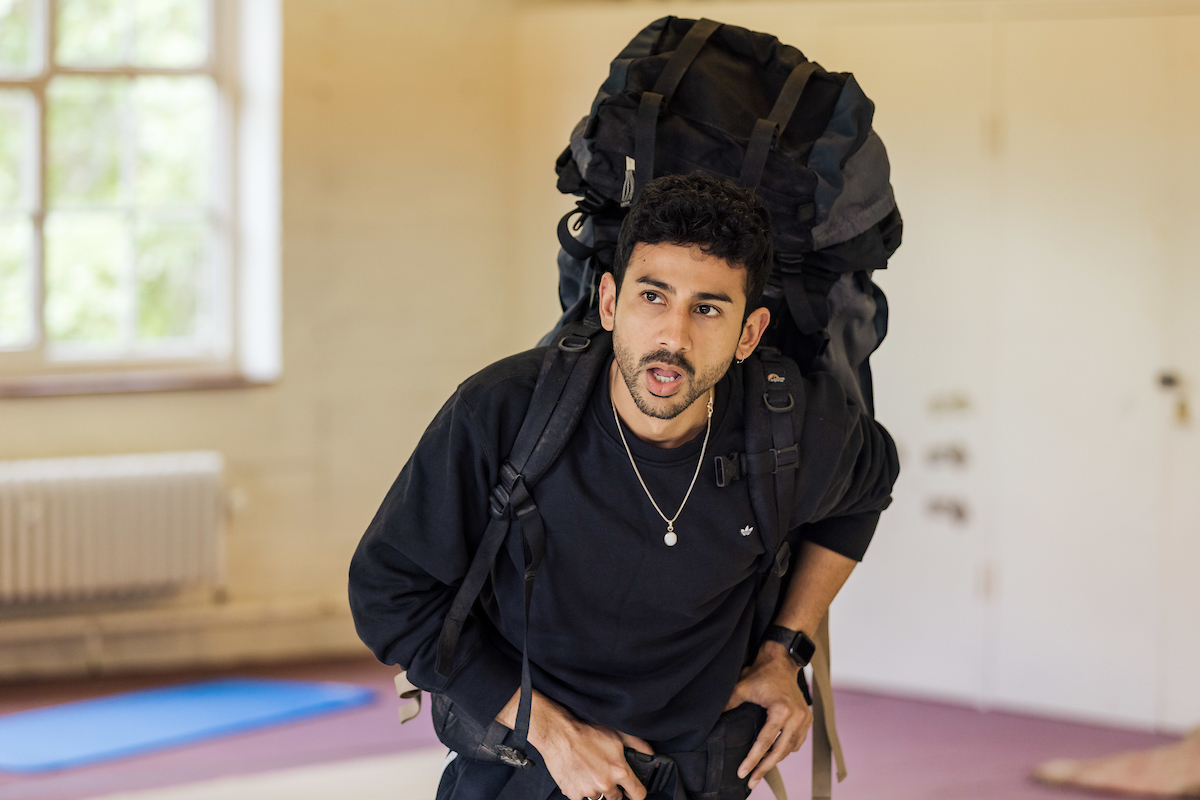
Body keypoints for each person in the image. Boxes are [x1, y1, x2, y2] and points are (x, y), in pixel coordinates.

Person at [349, 172, 900, 800]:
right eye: (652, 297)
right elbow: (387, 592)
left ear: (749, 332)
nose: (674, 337)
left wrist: (786, 648)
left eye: (709, 309)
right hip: (524, 771)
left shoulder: (791, 427)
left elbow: (869, 488)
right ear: (609, 302)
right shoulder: (503, 412)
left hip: (698, 775)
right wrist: (551, 731)